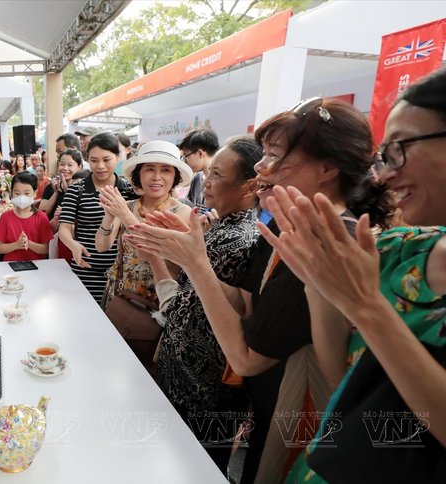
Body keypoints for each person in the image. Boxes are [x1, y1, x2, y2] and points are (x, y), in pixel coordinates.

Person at [127, 98, 393, 483]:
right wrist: (187, 257)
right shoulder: (285, 228)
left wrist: (196, 264)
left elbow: (248, 356)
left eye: (275, 155)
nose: (260, 168)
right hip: (264, 407)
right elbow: (248, 306)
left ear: (328, 168)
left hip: (299, 416)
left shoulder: (333, 240)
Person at [266, 69, 446, 483]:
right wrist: (318, 285)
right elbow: (345, 381)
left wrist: (366, 308)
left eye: (400, 149)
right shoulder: (396, 251)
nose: (384, 174)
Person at [149, 136, 263, 473]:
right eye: (208, 172)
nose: (206, 182)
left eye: (217, 175)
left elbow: (233, 314)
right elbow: (186, 297)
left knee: (197, 468)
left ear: (249, 186)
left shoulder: (245, 240)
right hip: (181, 374)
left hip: (207, 390)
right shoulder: (215, 228)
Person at [95, 140, 193, 365]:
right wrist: (110, 216)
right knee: (109, 362)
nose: (157, 177)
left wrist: (124, 215)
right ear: (139, 174)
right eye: (150, 169)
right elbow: (102, 246)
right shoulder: (128, 206)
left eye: (165, 170)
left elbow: (166, 259)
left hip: (154, 306)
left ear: (174, 176)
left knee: (142, 369)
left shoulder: (182, 212)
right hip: (118, 296)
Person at [59, 132, 136, 305]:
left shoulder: (128, 191)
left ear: (118, 157)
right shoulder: (77, 190)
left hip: (120, 273)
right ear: (87, 160)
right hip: (85, 269)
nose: (100, 166)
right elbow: (64, 227)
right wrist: (73, 245)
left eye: (106, 159)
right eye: (94, 160)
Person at [0, 171, 52, 261]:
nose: (21, 197)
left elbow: (45, 249)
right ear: (11, 193)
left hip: (37, 267)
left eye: (26, 193)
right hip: (10, 266)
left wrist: (28, 243)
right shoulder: (5, 217)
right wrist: (17, 244)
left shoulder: (41, 217)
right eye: (17, 193)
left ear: (35, 193)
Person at [178, 128, 219, 209]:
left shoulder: (222, 182)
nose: (185, 160)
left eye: (186, 155)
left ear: (200, 153)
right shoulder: (197, 179)